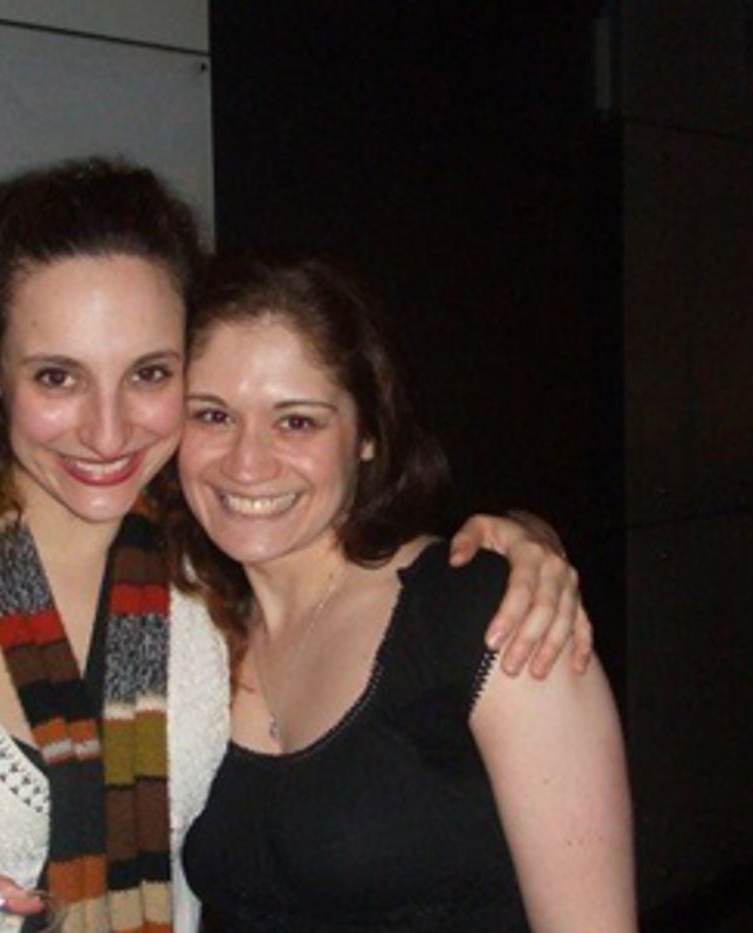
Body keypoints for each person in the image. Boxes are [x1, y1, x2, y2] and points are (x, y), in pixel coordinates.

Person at [0, 159, 591, 933]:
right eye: (57, 376)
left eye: (148, 373)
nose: (106, 431)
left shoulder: (208, 582)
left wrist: (525, 541)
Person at [170, 256, 635, 931]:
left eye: (296, 422)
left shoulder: (492, 615)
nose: (247, 462)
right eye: (213, 415)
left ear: (367, 435)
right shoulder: (194, 632)